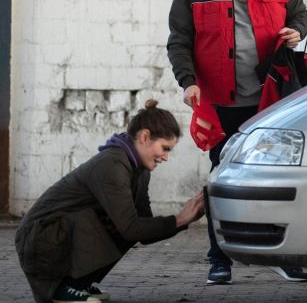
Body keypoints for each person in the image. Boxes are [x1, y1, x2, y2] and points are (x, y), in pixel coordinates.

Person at [167, 0, 307, 285]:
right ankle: (219, 258)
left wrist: (296, 30)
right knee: (222, 178)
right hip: (220, 102)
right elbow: (179, 41)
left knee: (279, 178)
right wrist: (188, 82)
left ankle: (283, 255)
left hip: (272, 99)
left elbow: (301, 14)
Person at [15, 100, 205, 303]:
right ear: (145, 136)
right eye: (165, 148)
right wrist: (179, 219)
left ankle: (79, 284)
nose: (166, 157)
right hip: (39, 244)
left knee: (129, 223)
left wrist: (185, 219)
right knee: (123, 223)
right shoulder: (112, 164)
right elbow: (131, 228)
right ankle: (61, 288)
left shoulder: (139, 170)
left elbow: (144, 232)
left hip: (51, 240)